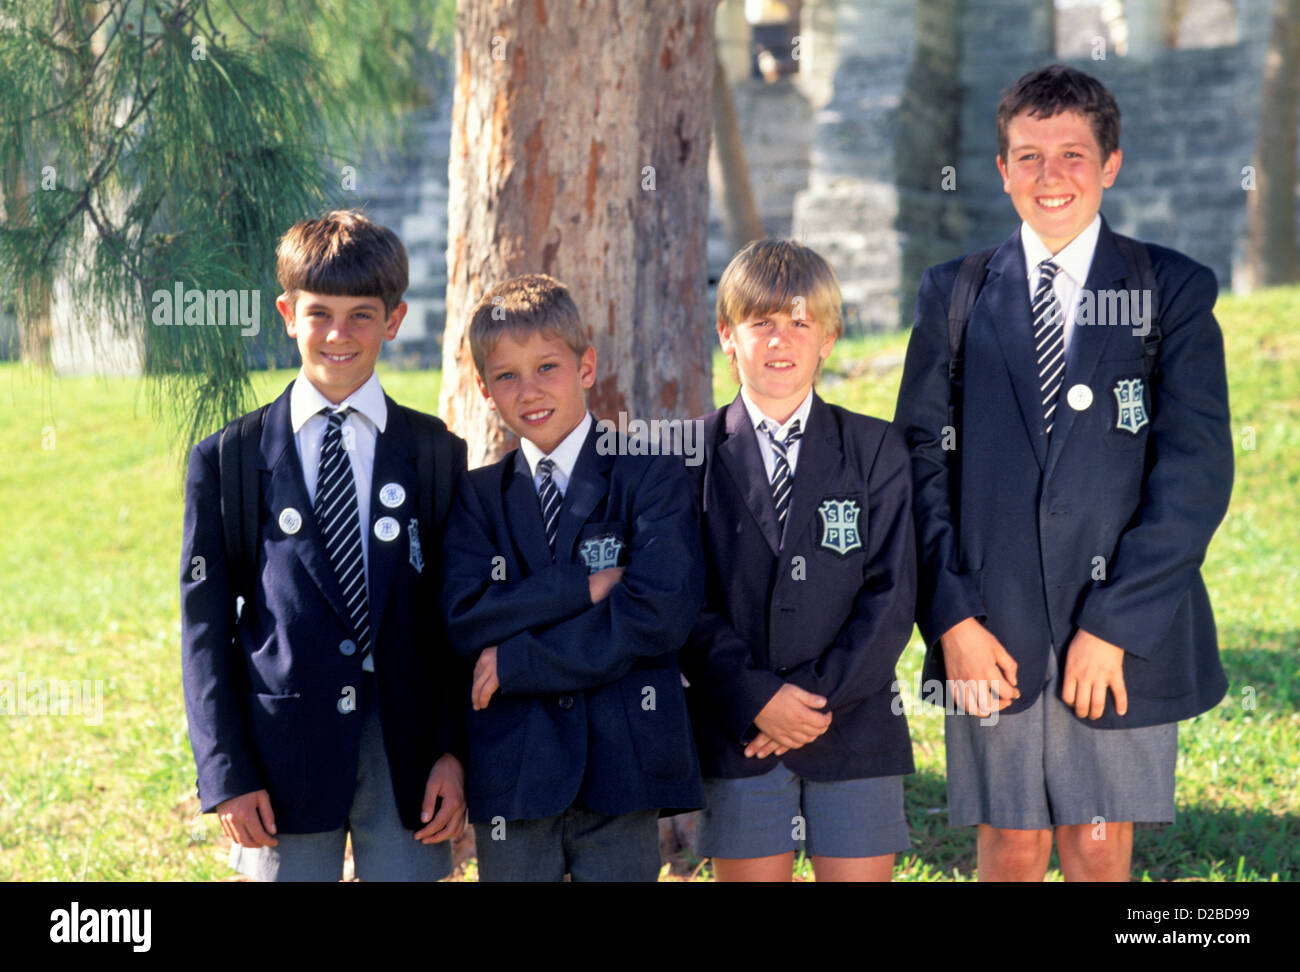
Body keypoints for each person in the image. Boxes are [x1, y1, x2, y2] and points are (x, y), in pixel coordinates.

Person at [894, 64, 1233, 881]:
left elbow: (1196, 473)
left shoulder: (1170, 289)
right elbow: (916, 469)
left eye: (1073, 154)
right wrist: (952, 621)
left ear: (1110, 164)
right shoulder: (955, 295)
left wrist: (1115, 624)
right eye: (1029, 156)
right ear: (1002, 168)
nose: (1051, 176)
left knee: (1095, 844)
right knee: (1009, 847)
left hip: (1121, 629)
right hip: (989, 630)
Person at [181, 209, 468, 881]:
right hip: (280, 753)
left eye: (362, 315)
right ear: (287, 312)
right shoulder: (229, 459)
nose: (338, 335)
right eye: (319, 313)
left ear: (394, 321)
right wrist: (226, 772)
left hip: (408, 756)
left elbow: (457, 620)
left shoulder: (435, 455)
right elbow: (204, 629)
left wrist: (454, 754)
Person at [440, 273, 705, 882]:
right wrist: (580, 589)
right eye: (507, 375)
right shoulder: (477, 498)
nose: (529, 390)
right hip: (513, 770)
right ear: (484, 390)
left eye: (547, 367)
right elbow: (465, 618)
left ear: (586, 367)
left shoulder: (649, 474)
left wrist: (518, 663)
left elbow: (658, 611)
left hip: (623, 761)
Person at [682, 238, 917, 882]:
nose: (780, 341)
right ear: (728, 336)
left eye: (799, 323)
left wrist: (808, 701)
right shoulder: (689, 455)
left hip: (855, 722)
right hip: (741, 729)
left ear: (830, 337)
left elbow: (891, 595)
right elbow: (682, 602)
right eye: (761, 324)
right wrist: (758, 698)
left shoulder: (875, 448)